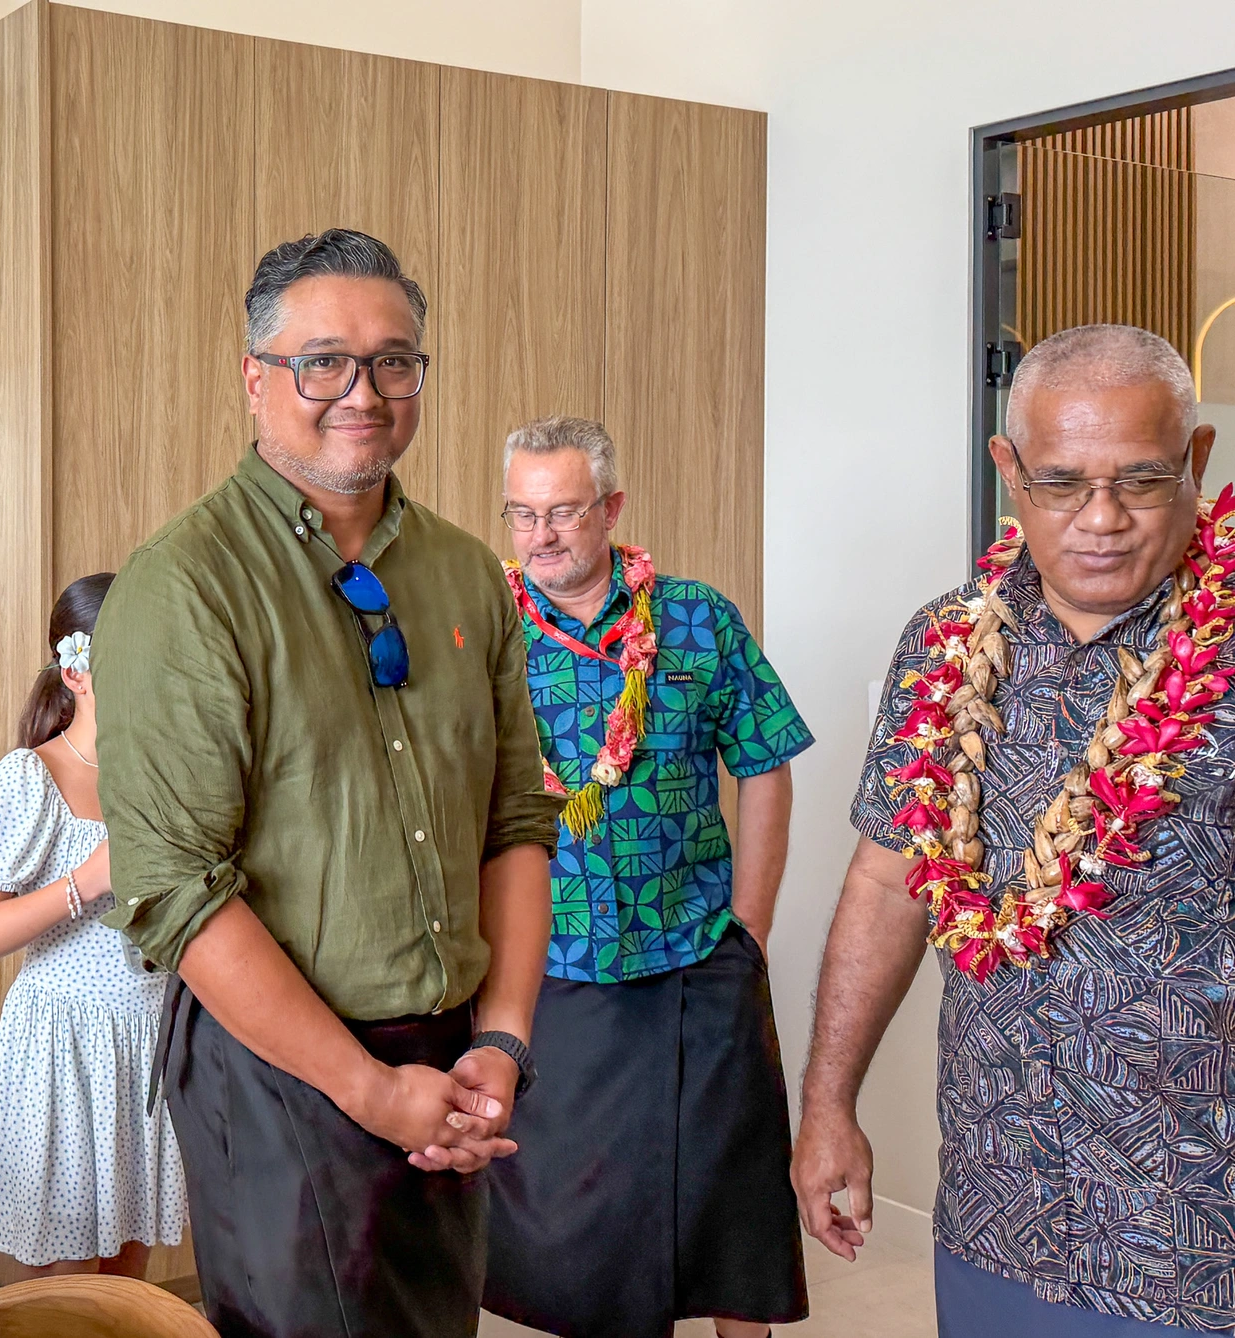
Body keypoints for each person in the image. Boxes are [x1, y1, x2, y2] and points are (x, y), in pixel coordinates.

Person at [91, 228, 563, 1338]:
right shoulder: (185, 585)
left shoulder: (464, 572)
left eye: (394, 361)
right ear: (255, 378)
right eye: (323, 362)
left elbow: (515, 820)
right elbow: (176, 891)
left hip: (449, 1055)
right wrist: (369, 1089)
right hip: (281, 1070)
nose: (364, 392)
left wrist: (500, 1041)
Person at [792, 324, 1235, 1337]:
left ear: (1198, 459)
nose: (1102, 519)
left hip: (1197, 1240)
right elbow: (883, 884)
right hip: (998, 1210)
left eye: (1142, 479)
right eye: (1062, 483)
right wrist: (826, 1105)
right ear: (1009, 470)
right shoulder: (944, 642)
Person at [484, 416, 813, 1338]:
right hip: (553, 963)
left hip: (697, 952)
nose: (541, 535)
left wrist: (750, 924)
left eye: (563, 511)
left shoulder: (699, 618)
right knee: (589, 1226)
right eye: (522, 514)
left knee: (733, 1190)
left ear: (612, 508)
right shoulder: (485, 631)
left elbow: (765, 761)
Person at [0, 573, 186, 1276]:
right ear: (76, 671)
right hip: (64, 1049)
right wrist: (89, 880)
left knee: (125, 1284)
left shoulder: (168, 776)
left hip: (148, 1042)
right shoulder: (31, 778)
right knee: (65, 1292)